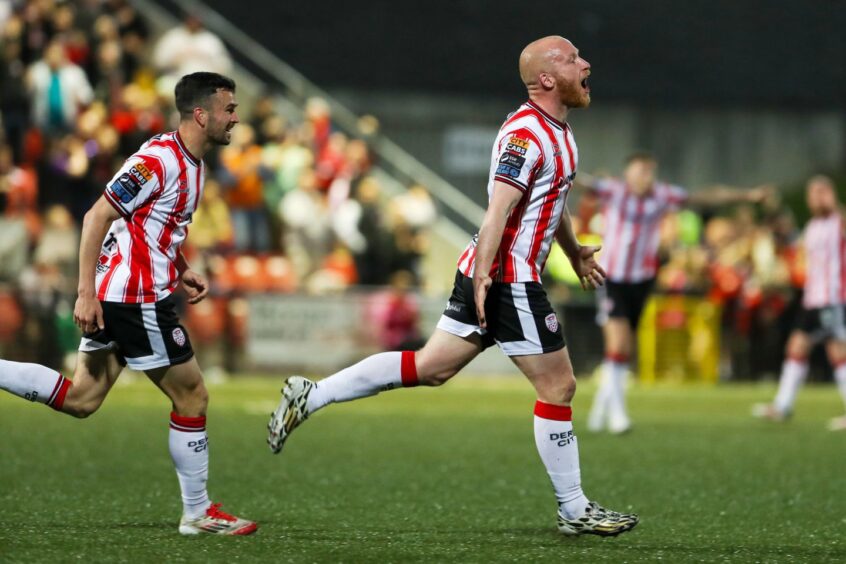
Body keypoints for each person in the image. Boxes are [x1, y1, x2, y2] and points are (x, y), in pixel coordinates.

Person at [268, 36, 639, 537]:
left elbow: (552, 197)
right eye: (574, 58)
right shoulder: (527, 135)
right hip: (507, 276)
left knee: (431, 367)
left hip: (495, 273)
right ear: (547, 79)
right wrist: (487, 277)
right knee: (559, 384)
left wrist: (572, 251)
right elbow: (497, 212)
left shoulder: (560, 134)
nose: (586, 63)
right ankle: (574, 510)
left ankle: (311, 394)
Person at [0, 72, 257, 535]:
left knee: (82, 398)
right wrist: (85, 292)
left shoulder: (193, 162)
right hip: (132, 299)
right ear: (202, 114)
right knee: (192, 395)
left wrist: (180, 267)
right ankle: (197, 513)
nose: (235, 118)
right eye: (229, 109)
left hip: (128, 295)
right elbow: (97, 216)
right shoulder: (158, 160)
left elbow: (153, 225)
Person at [579, 154, 769, 434]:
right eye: (640, 171)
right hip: (612, 277)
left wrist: (746, 195)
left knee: (623, 348)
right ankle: (618, 415)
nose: (645, 177)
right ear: (628, 174)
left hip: (642, 279)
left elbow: (705, 196)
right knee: (618, 344)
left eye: (649, 171)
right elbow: (580, 181)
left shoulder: (663, 195)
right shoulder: (613, 191)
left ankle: (599, 409)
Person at [753, 175, 846, 431]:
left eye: (822, 191)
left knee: (837, 352)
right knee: (800, 347)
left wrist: (835, 205)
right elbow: (793, 243)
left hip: (833, 298)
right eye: (813, 193)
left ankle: (783, 405)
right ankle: (782, 406)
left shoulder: (838, 222)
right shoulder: (813, 226)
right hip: (812, 298)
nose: (817, 197)